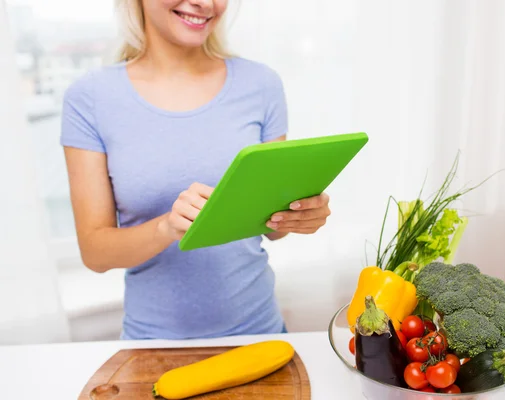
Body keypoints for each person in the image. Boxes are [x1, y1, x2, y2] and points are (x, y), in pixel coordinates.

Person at [60, 0, 331, 340]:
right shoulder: (90, 98)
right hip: (151, 347)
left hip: (260, 337)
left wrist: (299, 213)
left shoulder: (261, 85)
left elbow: (272, 228)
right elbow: (95, 253)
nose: (205, 3)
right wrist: (166, 228)